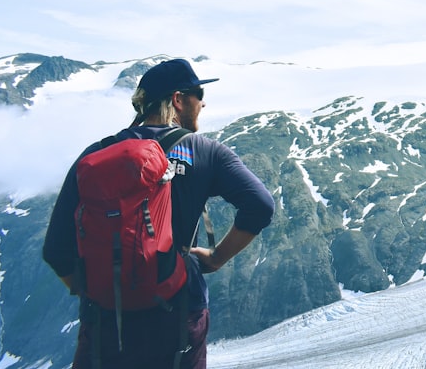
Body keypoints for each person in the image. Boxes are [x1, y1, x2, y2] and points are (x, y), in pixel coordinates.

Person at [43, 58, 275, 369]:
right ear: (178, 100)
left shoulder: (95, 155)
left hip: (104, 321)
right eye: (198, 95)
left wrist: (103, 290)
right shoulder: (205, 152)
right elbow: (260, 205)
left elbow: (56, 250)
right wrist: (217, 258)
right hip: (178, 311)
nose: (203, 104)